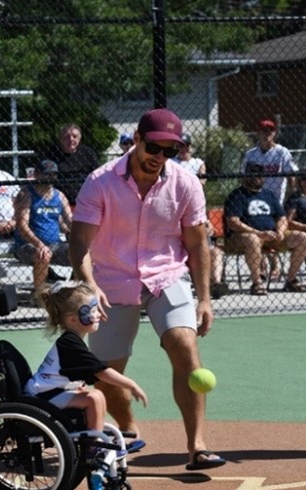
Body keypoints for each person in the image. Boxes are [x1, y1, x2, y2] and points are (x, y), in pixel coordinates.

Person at [69, 107, 226, 471]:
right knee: (106, 371)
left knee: (185, 345)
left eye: (170, 151)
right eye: (154, 147)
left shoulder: (185, 184)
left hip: (165, 276)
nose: (160, 157)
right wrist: (90, 284)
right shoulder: (101, 180)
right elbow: (79, 240)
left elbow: (197, 244)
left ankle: (197, 446)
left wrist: (204, 299)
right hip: (110, 280)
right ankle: (127, 427)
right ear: (137, 139)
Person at [24, 281, 148, 472]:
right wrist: (131, 385)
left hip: (49, 392)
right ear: (73, 319)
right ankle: (93, 448)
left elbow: (71, 373)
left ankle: (95, 438)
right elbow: (101, 372)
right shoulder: (70, 343)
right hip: (42, 398)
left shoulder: (72, 341)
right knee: (95, 397)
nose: (99, 313)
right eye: (91, 309)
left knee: (89, 394)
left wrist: (75, 387)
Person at [224, 162, 306, 295]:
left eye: (260, 175)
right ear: (246, 177)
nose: (257, 178)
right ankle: (257, 282)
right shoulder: (237, 195)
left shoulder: (268, 195)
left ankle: (291, 280)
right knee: (252, 239)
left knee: (303, 238)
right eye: (253, 175)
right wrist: (258, 233)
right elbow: (232, 222)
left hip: (271, 235)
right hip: (242, 238)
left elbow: (282, 217)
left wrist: (280, 231)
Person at [174, 133, 227, 298]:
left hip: (195, 206)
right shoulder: (171, 163)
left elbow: (200, 183)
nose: (184, 149)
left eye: (187, 145)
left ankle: (216, 283)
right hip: (176, 208)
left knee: (214, 249)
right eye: (181, 145)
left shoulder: (198, 163)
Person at [13, 159, 73, 296]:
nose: (51, 178)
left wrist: (78, 233)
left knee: (82, 252)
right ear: (37, 174)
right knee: (43, 255)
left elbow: (69, 222)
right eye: (47, 174)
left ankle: (72, 291)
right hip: (27, 245)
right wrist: (39, 245)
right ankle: (40, 296)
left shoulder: (60, 196)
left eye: (53, 174)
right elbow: (22, 226)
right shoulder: (27, 194)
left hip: (55, 244)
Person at [241, 119, 298, 206]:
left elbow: (291, 176)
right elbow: (243, 177)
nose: (267, 134)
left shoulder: (282, 152)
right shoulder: (250, 154)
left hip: (276, 201)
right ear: (258, 133)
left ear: (274, 133)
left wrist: (291, 195)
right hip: (255, 200)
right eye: (264, 131)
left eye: (270, 131)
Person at [46, 123, 99, 205]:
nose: (71, 139)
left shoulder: (88, 153)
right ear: (60, 139)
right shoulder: (52, 153)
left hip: (85, 197)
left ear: (80, 138)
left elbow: (97, 174)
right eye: (66, 137)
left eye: (74, 136)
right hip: (59, 199)